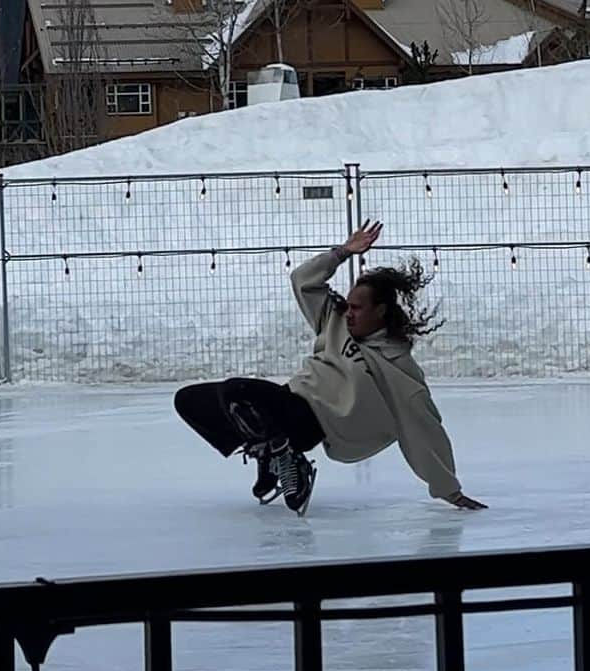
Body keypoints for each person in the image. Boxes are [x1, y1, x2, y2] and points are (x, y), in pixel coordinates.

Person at [174, 220, 485, 517]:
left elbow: (423, 429)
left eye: (358, 308)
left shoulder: (398, 369)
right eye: (348, 305)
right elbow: (302, 280)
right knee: (189, 400)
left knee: (237, 391)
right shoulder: (334, 320)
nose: (348, 313)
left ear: (381, 311)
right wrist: (343, 252)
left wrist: (449, 489)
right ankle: (269, 453)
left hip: (314, 421)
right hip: (289, 401)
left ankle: (288, 458)